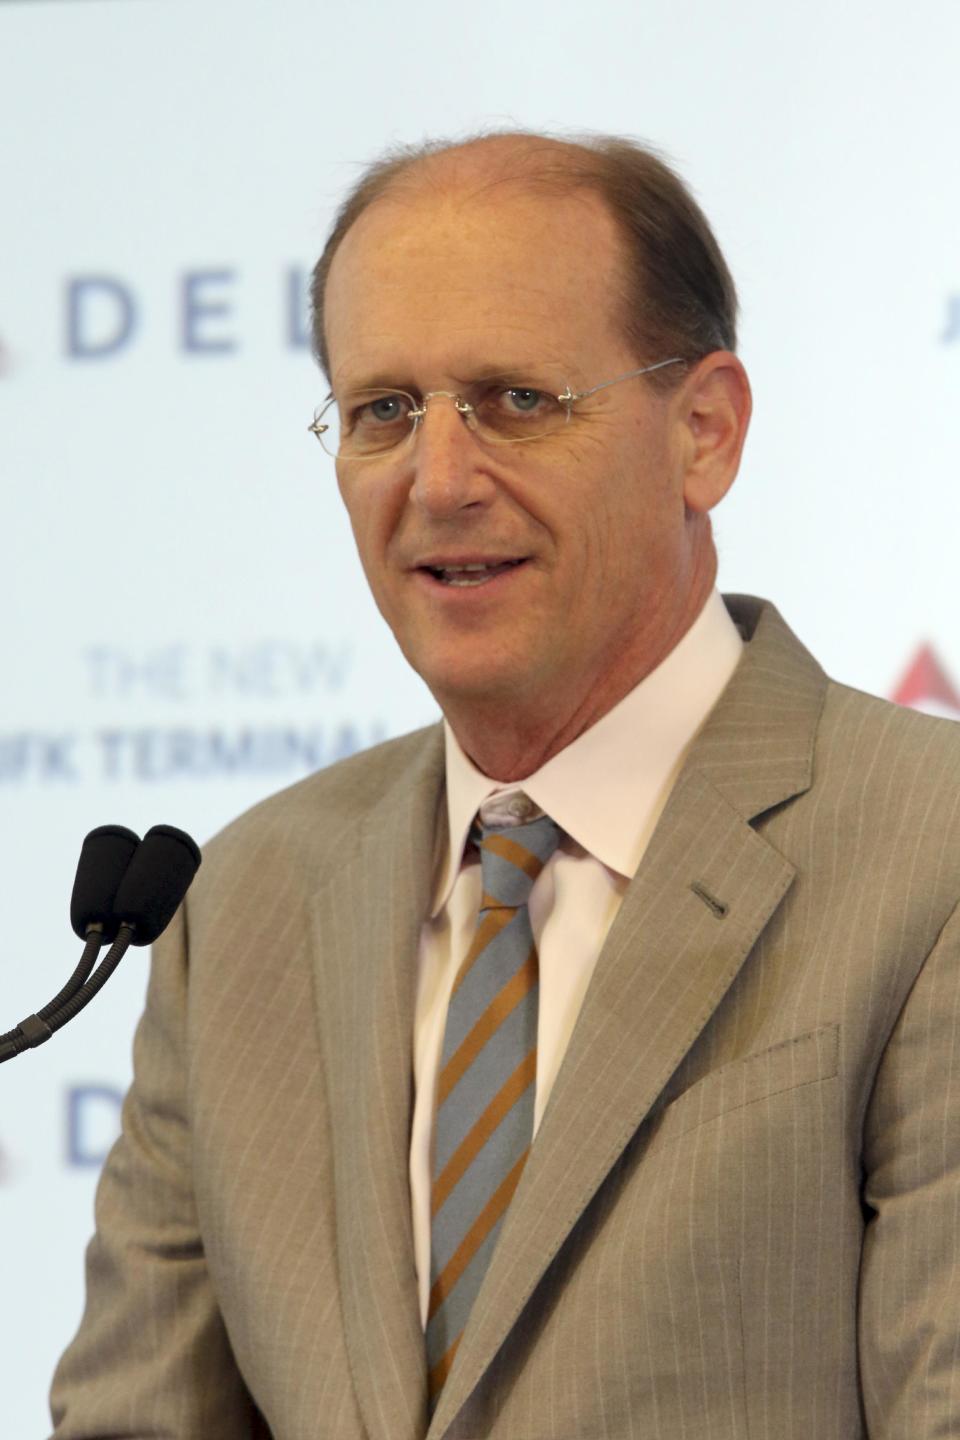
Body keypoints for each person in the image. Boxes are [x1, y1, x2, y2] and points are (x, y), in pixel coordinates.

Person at [50, 131, 960, 1440]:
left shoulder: (932, 856)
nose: (438, 481)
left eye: (517, 401)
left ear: (704, 433)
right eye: (382, 412)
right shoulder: (241, 901)